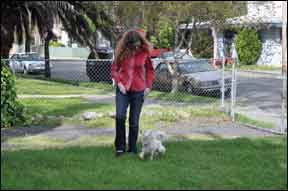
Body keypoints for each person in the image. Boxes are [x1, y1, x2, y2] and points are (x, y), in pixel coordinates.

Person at [111, 29, 154, 157]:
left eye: (138, 43)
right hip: (122, 89)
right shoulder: (121, 52)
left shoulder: (144, 52)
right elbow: (114, 69)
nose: (137, 46)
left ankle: (132, 148)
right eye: (134, 44)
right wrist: (119, 83)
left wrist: (148, 86)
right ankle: (120, 147)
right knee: (120, 116)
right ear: (128, 43)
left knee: (134, 121)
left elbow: (150, 71)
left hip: (139, 90)